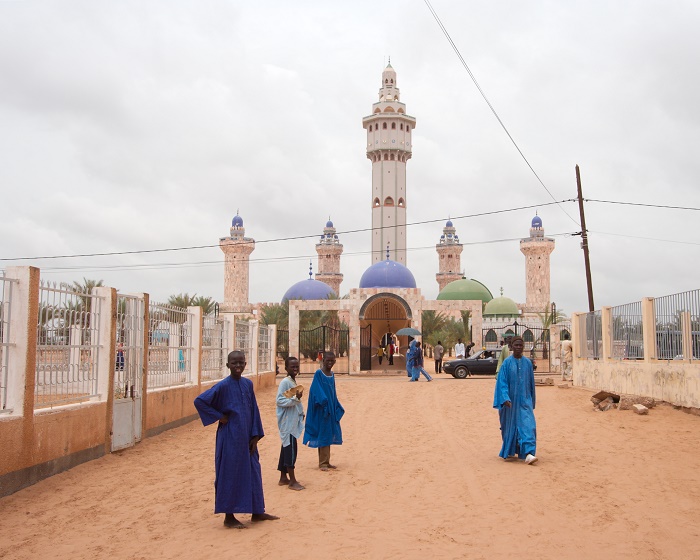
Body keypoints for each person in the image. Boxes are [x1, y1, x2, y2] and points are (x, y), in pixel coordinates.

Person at [194, 350, 279, 528]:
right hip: (230, 437)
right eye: (234, 363)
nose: (238, 366)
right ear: (228, 366)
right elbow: (200, 401)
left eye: (241, 363)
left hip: (248, 436)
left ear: (245, 364)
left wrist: (255, 436)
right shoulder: (223, 386)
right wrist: (219, 416)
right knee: (229, 473)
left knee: (253, 471)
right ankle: (229, 516)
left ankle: (257, 511)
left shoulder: (248, 384)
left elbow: (254, 409)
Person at [493, 336, 538, 465]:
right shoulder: (507, 363)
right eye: (516, 345)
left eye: (521, 345)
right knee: (509, 427)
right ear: (511, 347)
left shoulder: (528, 363)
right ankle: (512, 449)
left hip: (524, 401)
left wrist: (531, 400)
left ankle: (529, 453)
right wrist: (505, 398)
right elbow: (502, 383)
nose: (518, 347)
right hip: (510, 403)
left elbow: (531, 384)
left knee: (529, 426)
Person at [303, 351, 344, 471]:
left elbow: (333, 392)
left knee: (328, 433)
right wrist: (324, 402)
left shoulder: (332, 374)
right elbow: (315, 390)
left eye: (332, 361)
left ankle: (326, 460)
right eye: (328, 360)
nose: (330, 363)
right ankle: (323, 463)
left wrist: (335, 404)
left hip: (330, 408)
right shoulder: (319, 374)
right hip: (322, 409)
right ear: (323, 360)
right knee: (323, 433)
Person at [276, 356, 305, 491]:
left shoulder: (292, 381)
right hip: (288, 422)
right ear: (286, 368)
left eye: (296, 366)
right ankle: (292, 480)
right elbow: (280, 401)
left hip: (292, 420)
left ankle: (283, 477)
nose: (295, 368)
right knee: (291, 450)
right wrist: (295, 400)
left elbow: (294, 400)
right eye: (292, 366)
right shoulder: (285, 382)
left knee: (286, 446)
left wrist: (300, 411)